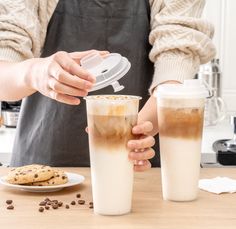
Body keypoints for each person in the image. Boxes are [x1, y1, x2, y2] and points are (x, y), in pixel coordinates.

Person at [0, 0, 215, 170]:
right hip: (44, 163)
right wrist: (33, 72)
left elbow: (177, 56)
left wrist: (137, 132)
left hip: (143, 163)